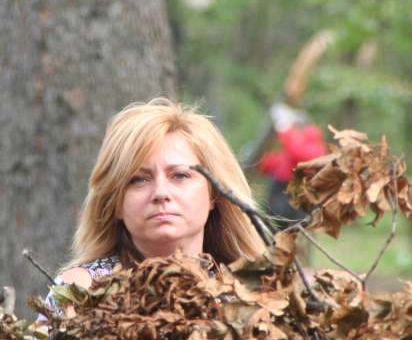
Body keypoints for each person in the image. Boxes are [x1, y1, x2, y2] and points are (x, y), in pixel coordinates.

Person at [56, 98, 266, 289]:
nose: (161, 193)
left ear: (214, 194)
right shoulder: (81, 290)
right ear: (116, 203)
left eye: (180, 175)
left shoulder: (254, 293)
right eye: (139, 179)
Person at [257, 103, 327, 230]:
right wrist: (260, 160)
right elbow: (278, 162)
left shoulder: (314, 144)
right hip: (281, 188)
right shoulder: (293, 143)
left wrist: (284, 128)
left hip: (296, 191)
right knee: (274, 218)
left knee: (289, 224)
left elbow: (299, 154)